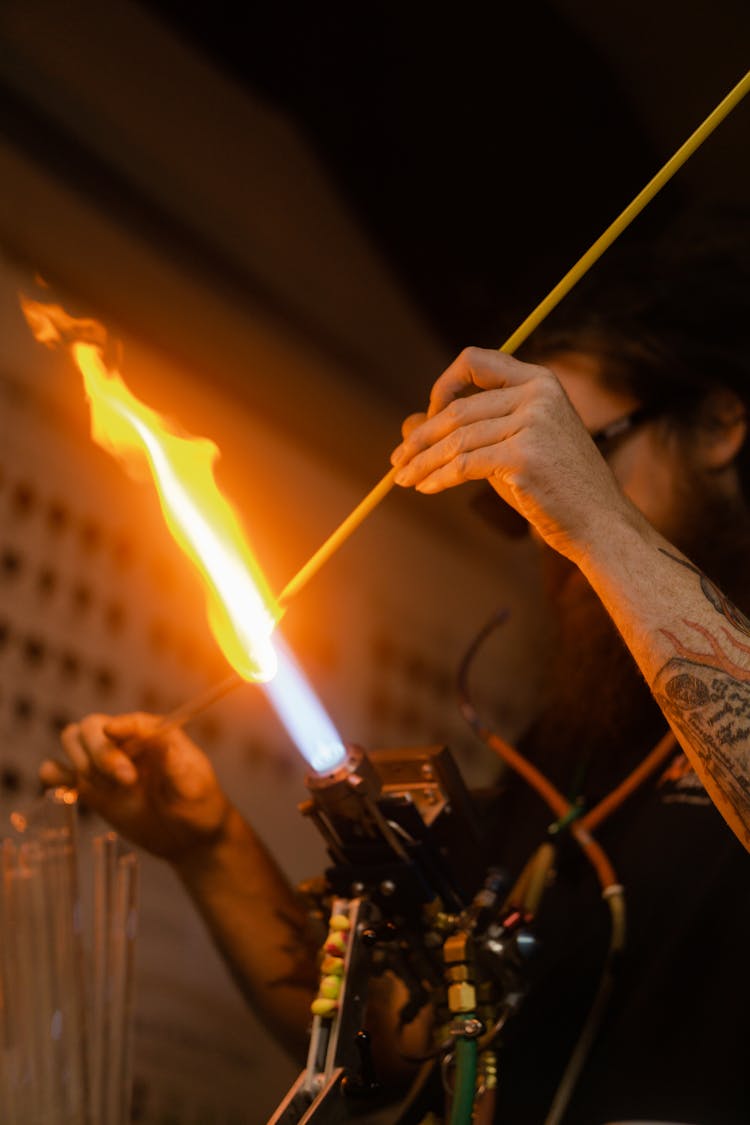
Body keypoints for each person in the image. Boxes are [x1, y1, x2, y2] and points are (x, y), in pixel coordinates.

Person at [41, 232, 750, 1123]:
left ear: (721, 425)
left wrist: (598, 517)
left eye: (584, 449)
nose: (543, 526)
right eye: (523, 494)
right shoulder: (566, 756)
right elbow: (394, 1044)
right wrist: (209, 844)